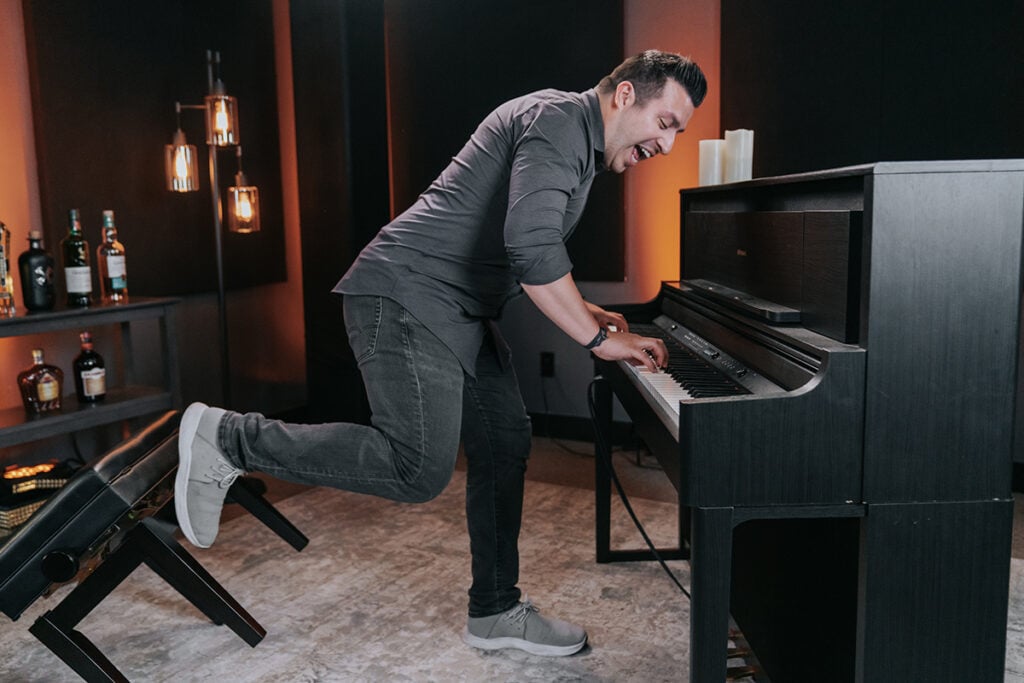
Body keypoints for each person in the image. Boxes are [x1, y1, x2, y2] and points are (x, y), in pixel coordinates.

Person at [175, 49, 707, 658]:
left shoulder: (577, 141)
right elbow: (531, 250)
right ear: (624, 97)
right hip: (405, 294)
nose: (667, 146)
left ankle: (496, 610)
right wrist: (599, 339)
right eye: (666, 123)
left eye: (678, 133)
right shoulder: (560, 121)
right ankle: (229, 437)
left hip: (458, 309)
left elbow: (524, 253)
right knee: (415, 468)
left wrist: (588, 311)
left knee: (505, 439)